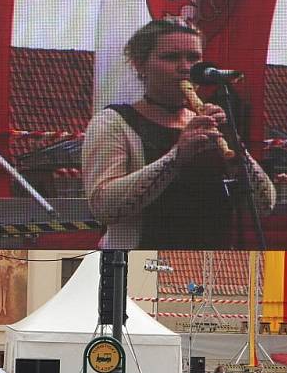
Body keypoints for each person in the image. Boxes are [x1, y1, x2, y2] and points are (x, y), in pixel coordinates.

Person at [82, 18, 276, 249]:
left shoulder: (206, 123)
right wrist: (176, 158)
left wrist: (236, 150)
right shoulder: (114, 122)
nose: (185, 67)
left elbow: (264, 205)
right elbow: (103, 207)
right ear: (139, 65)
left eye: (193, 58)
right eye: (171, 57)